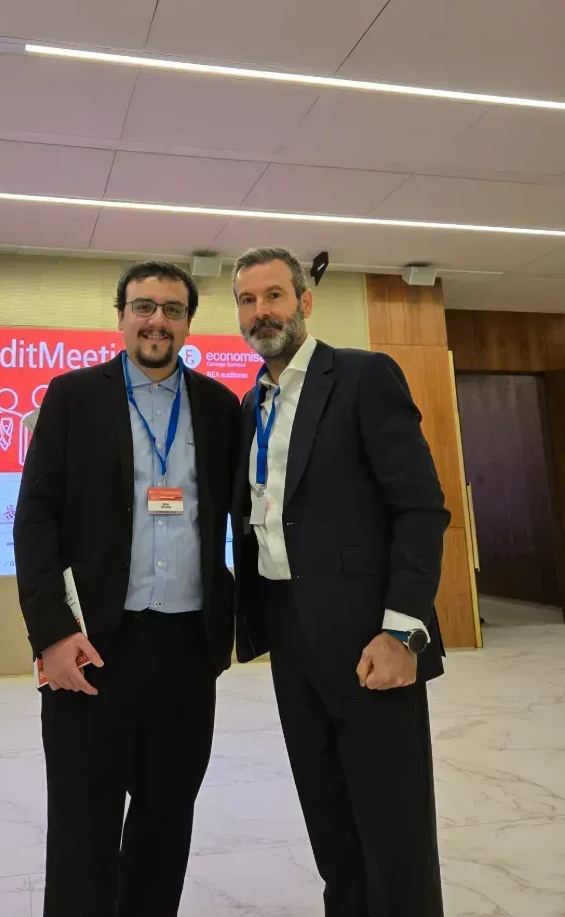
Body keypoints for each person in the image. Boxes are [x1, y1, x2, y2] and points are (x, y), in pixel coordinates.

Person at [14, 260, 241, 917]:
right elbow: (36, 519)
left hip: (188, 647)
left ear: (188, 324)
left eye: (172, 309)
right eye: (144, 306)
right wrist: (51, 633)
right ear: (120, 317)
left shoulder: (220, 408)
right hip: (94, 645)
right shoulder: (72, 397)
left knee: (167, 817)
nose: (157, 321)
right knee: (84, 823)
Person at [231, 246, 449, 917]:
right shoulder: (249, 405)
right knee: (330, 822)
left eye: (273, 295)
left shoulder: (361, 377)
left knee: (394, 830)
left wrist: (401, 632)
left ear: (305, 300)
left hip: (368, 640)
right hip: (291, 638)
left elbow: (420, 507)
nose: (260, 311)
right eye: (247, 300)